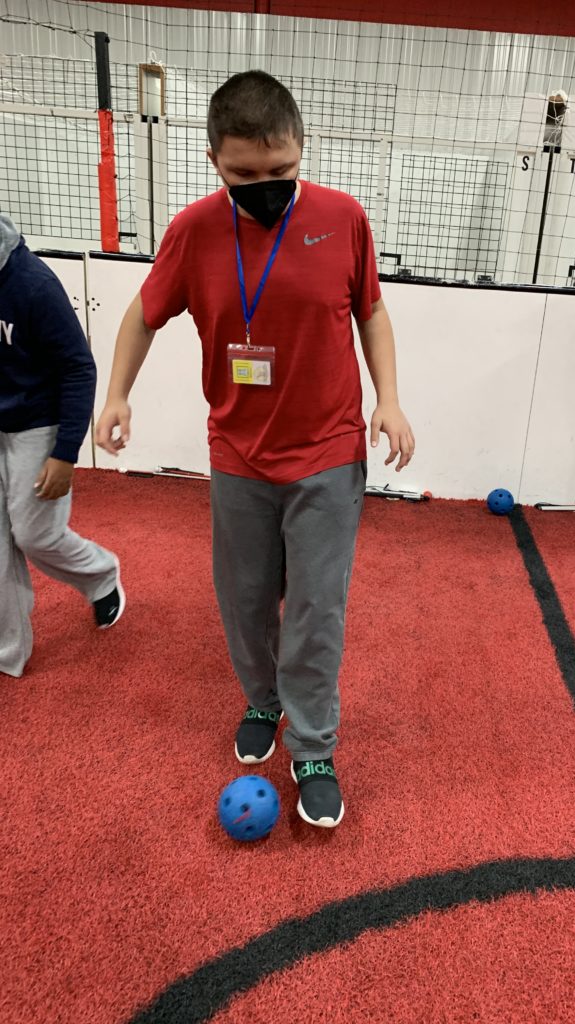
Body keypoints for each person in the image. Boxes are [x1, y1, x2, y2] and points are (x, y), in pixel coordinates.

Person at [95, 71, 414, 829]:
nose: (265, 186)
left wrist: (389, 400)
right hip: (238, 452)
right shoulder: (194, 231)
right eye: (244, 175)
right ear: (213, 160)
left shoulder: (343, 218)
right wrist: (117, 394)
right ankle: (263, 701)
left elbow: (371, 312)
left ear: (301, 150)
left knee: (314, 609)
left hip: (328, 452)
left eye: (281, 172)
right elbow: (142, 317)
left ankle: (311, 744)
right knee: (244, 602)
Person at [0, 215, 124, 678]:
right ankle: (8, 653)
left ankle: (100, 575)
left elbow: (78, 368)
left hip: (38, 423)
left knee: (34, 535)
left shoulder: (32, 285)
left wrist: (65, 452)